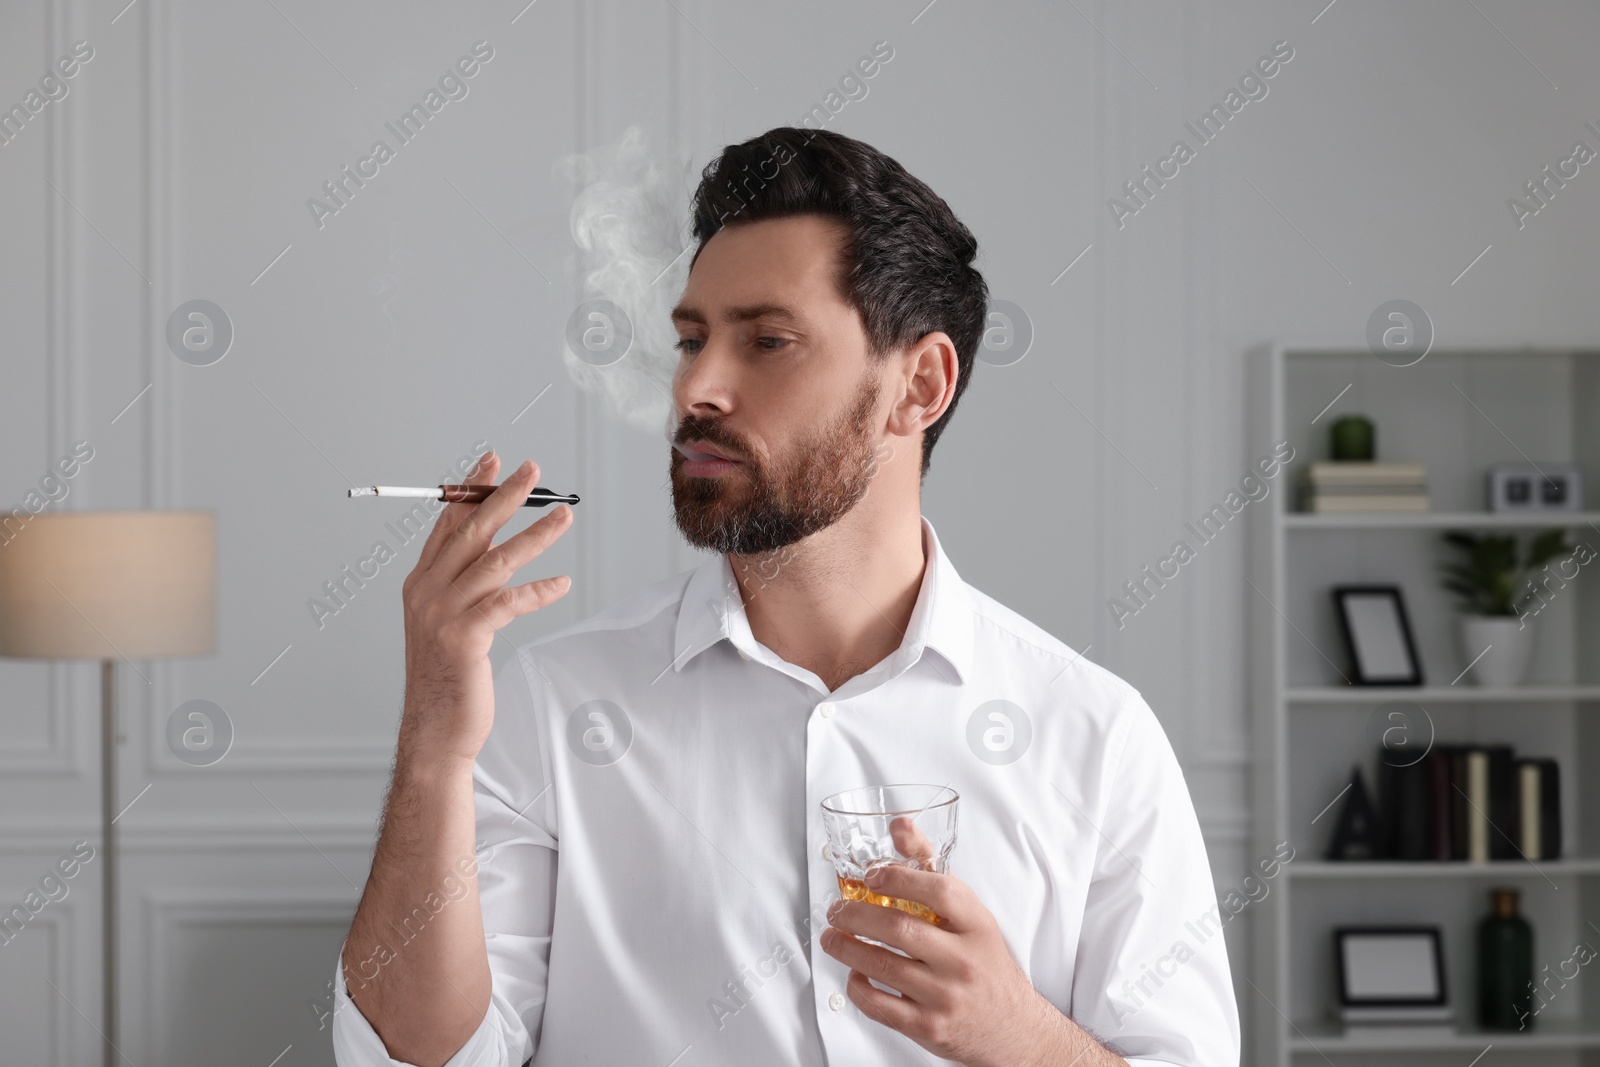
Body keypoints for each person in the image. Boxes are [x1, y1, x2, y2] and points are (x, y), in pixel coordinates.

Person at [331, 126, 1239, 1067]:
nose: (697, 388)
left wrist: (1013, 1032)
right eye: (691, 340)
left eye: (767, 340)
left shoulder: (1093, 736)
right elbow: (421, 1061)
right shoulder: (555, 706)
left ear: (917, 385)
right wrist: (434, 740)